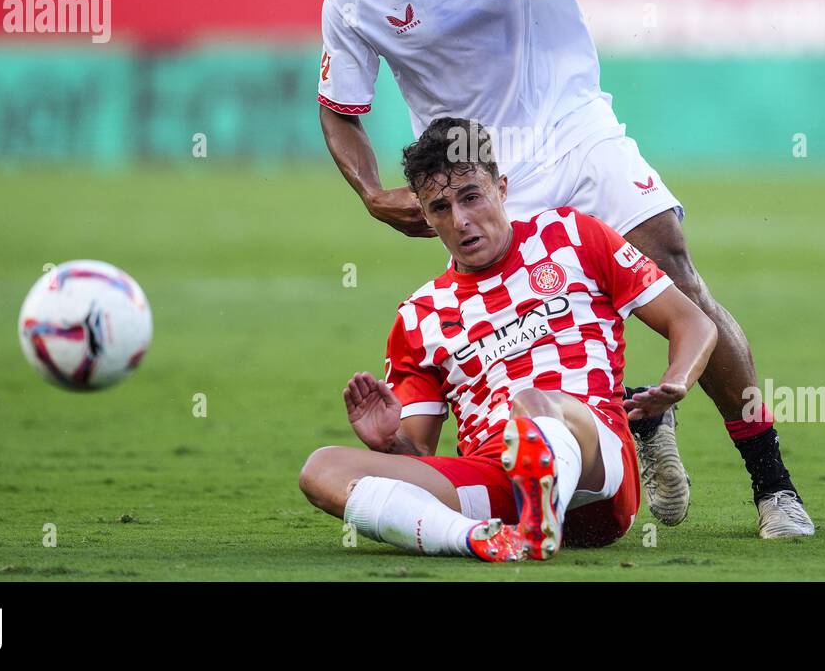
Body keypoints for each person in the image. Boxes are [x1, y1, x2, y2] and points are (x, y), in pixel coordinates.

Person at [315, 0, 814, 537]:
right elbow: (340, 106)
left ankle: (772, 486)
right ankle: (598, 454)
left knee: (677, 272)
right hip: (479, 181)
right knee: (522, 353)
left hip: (575, 130)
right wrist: (372, 192)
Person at [298, 118, 717, 560]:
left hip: (594, 470)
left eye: (471, 197)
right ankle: (478, 538)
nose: (460, 220)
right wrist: (389, 443)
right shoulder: (419, 317)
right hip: (494, 481)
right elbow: (417, 457)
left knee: (533, 403)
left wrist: (677, 381)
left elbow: (693, 322)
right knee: (322, 469)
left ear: (501, 187)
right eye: (440, 207)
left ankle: (541, 508)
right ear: (424, 216)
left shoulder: (571, 236)